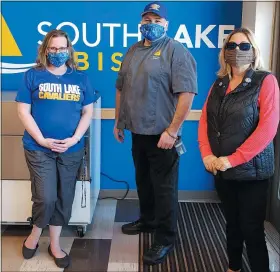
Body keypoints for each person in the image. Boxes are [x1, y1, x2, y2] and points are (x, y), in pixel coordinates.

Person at [113, 1, 197, 265]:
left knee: (164, 189)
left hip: (163, 136)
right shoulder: (132, 50)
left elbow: (187, 93)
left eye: (156, 21)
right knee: (144, 182)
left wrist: (172, 131)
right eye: (147, 20)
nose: (151, 25)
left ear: (166, 25)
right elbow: (120, 88)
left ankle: (165, 238)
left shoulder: (176, 51)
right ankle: (148, 221)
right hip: (138, 132)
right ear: (141, 23)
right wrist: (118, 121)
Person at [198, 27, 280, 272]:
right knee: (232, 225)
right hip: (222, 171)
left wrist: (232, 160)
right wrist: (207, 155)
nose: (237, 51)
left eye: (244, 46)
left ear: (253, 52)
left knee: (251, 229)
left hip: (252, 173)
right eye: (232, 46)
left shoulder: (265, 81)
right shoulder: (219, 84)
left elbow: (268, 128)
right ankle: (233, 267)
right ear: (224, 52)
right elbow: (205, 121)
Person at [16, 29, 97, 268]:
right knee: (46, 197)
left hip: (71, 149)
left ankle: (54, 243)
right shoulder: (33, 76)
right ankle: (34, 235)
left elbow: (88, 111)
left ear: (69, 50)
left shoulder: (80, 78)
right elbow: (23, 111)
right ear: (45, 50)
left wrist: (74, 139)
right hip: (38, 148)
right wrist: (41, 139)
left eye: (62, 48)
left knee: (64, 198)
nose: (58, 52)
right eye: (53, 48)